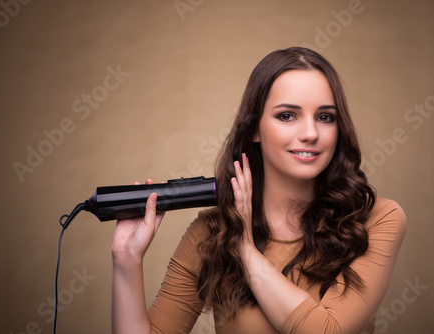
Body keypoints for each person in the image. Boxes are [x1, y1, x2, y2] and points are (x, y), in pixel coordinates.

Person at [111, 47, 407, 334]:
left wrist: (246, 250)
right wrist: (126, 259)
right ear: (254, 129)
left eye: (325, 117)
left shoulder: (377, 220)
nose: (310, 133)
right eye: (287, 116)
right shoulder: (210, 233)